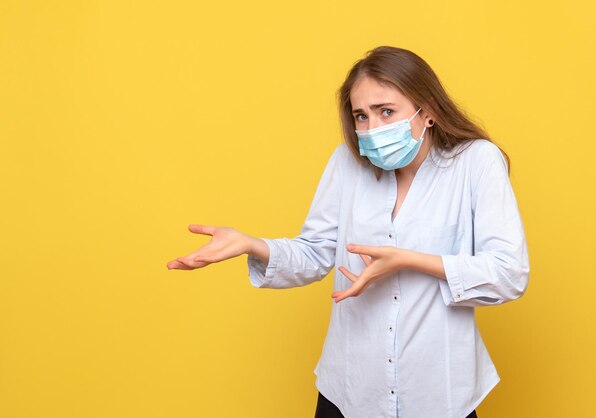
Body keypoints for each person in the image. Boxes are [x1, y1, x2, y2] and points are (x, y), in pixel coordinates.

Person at [167, 46, 530, 418]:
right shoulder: (347, 163)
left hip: (438, 394)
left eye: (386, 111)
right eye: (361, 116)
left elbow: (508, 273)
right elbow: (316, 252)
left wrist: (409, 260)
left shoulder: (476, 162)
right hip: (351, 390)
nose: (372, 129)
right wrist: (253, 245)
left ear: (429, 110)